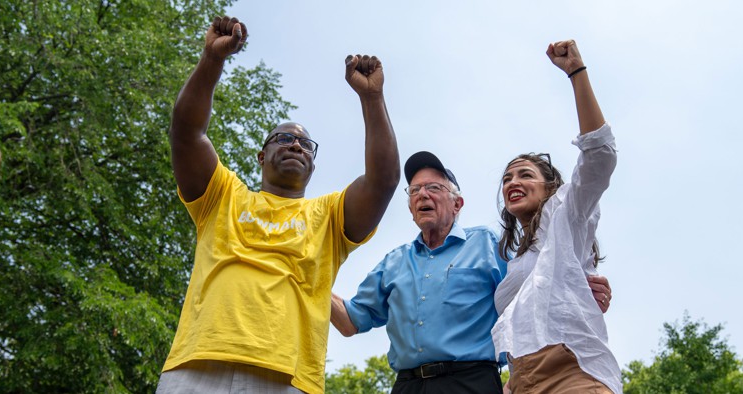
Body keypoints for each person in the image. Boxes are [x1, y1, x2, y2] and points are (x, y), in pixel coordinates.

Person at [157, 16, 400, 394]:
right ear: (261, 155)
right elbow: (186, 132)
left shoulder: (329, 218)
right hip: (197, 365)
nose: (296, 145)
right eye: (283, 138)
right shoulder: (221, 196)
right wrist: (211, 58)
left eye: (305, 144)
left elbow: (383, 181)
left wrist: (372, 99)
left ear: (313, 164)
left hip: (288, 377)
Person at [330, 151, 613, 394]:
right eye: (414, 191)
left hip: (472, 382)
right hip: (407, 385)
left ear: (457, 204)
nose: (422, 195)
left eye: (433, 187)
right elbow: (349, 321)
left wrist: (579, 285)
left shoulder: (488, 246)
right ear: (410, 207)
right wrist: (303, 275)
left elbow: (534, 287)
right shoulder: (393, 262)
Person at [491, 40, 621, 393]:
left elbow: (600, 157)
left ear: (550, 188)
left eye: (524, 175)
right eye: (506, 178)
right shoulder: (518, 262)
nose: (513, 182)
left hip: (570, 372)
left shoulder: (566, 213)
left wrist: (576, 72)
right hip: (520, 379)